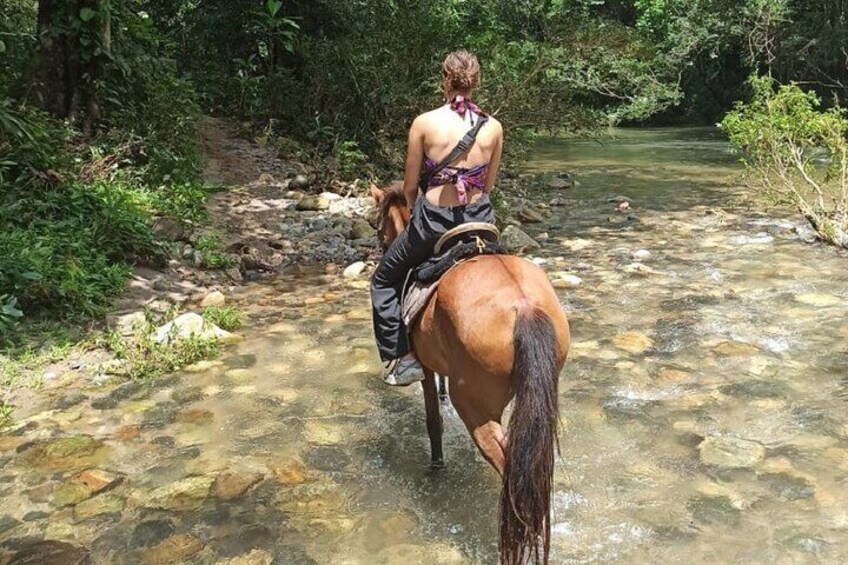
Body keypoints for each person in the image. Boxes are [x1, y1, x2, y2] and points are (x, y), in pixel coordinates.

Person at [370, 50, 504, 386]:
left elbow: (411, 185)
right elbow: (488, 185)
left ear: (444, 80)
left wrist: (418, 211)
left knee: (383, 281)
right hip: (480, 221)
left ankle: (403, 358)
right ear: (477, 81)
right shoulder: (494, 127)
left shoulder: (424, 123)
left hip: (435, 223)